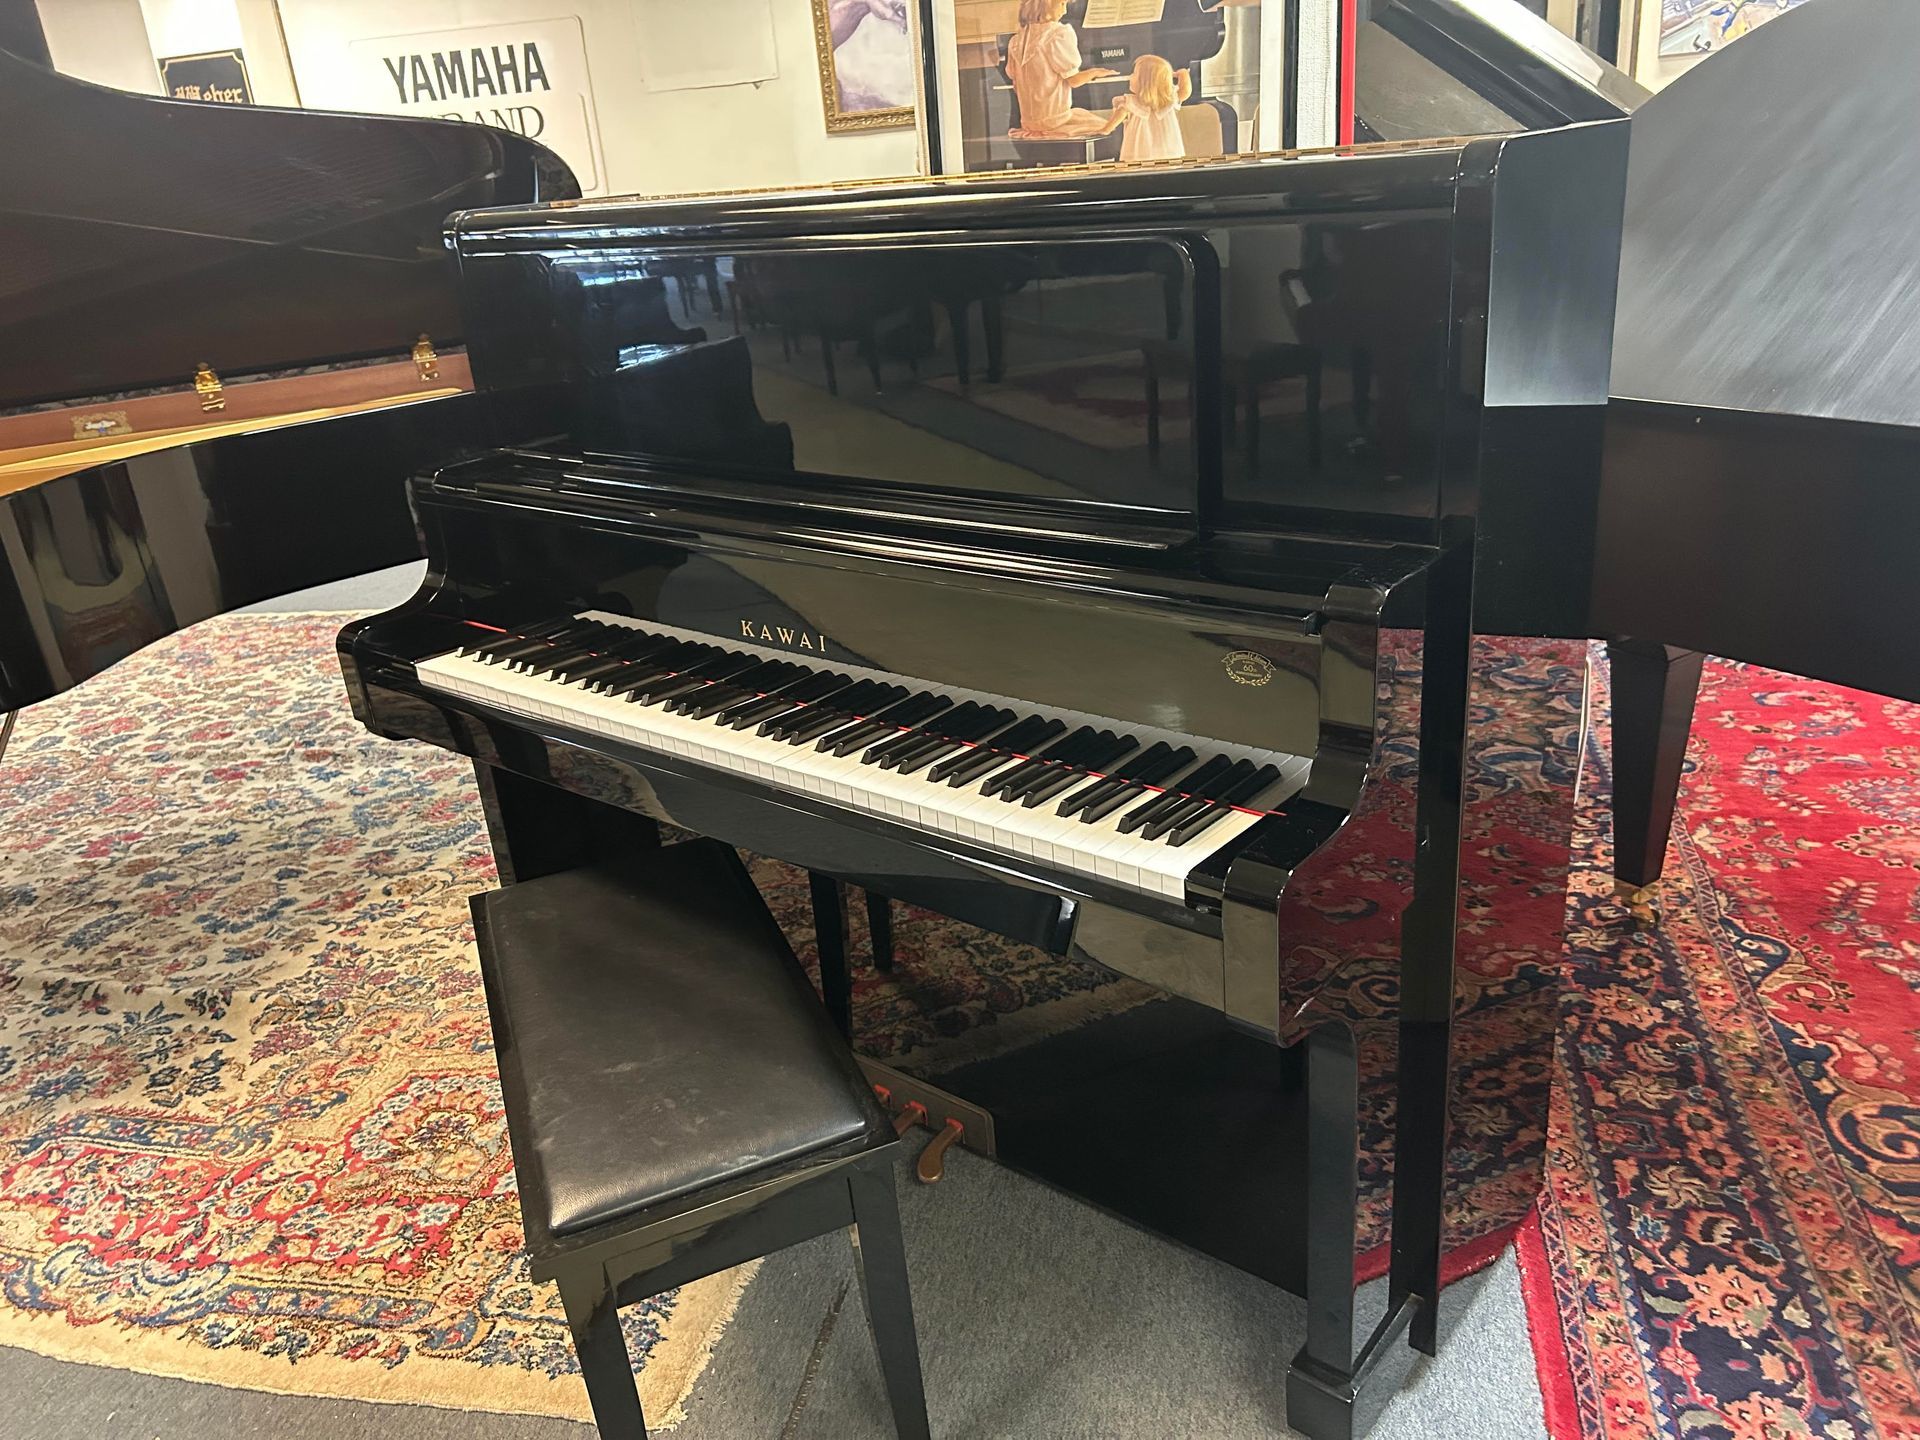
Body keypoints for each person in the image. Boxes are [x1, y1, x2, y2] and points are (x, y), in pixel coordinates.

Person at [1005, 0, 1115, 137]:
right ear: (1046, 4)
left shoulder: (1016, 40)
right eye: (1062, 4)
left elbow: (1016, 85)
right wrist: (1095, 72)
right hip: (1056, 122)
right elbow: (1074, 81)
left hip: (1028, 124)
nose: (1065, 11)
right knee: (1112, 126)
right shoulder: (1057, 33)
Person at [1102, 54, 1190, 162]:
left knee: (1137, 170)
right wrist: (1183, 74)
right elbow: (1185, 91)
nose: (1130, 76)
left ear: (1145, 82)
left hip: (1137, 153)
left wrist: (1105, 129)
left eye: (1134, 74)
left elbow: (1113, 123)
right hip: (1168, 151)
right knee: (1167, 169)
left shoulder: (1129, 102)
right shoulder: (1169, 101)